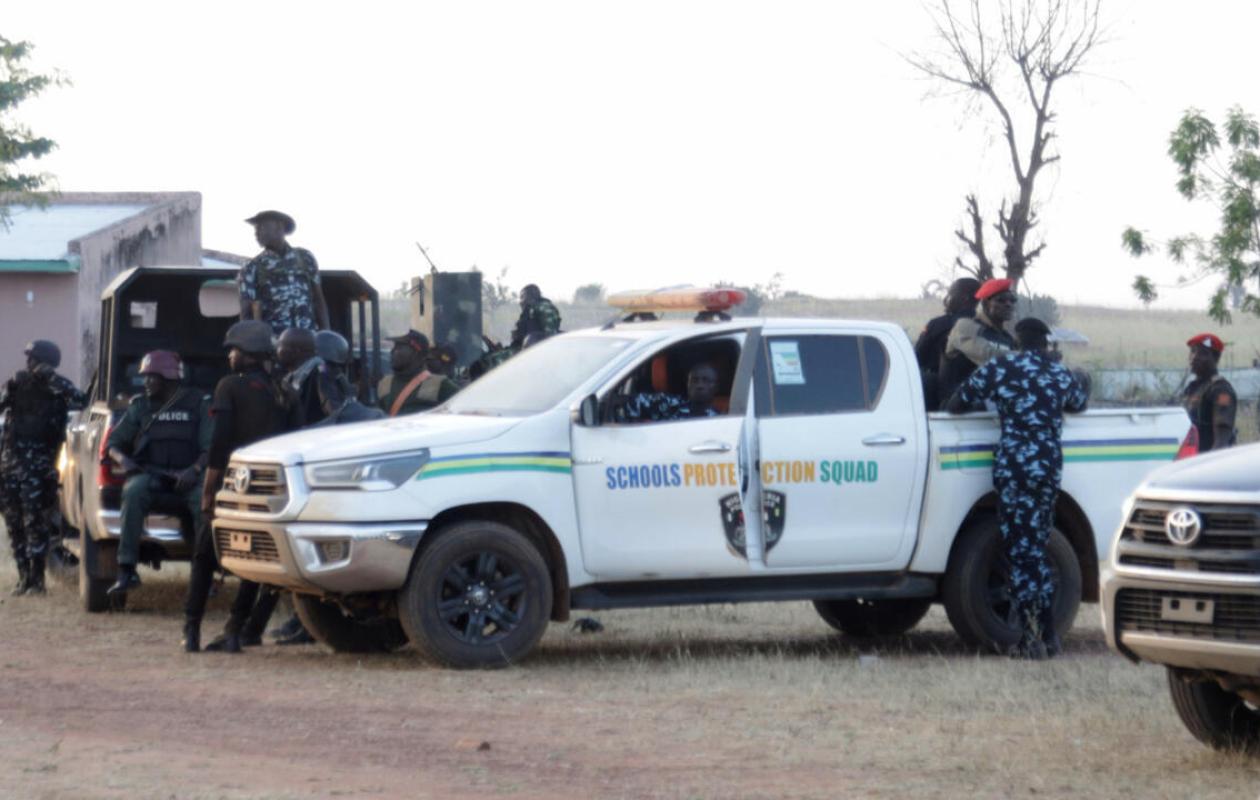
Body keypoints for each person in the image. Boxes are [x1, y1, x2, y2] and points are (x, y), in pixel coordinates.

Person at [946, 317, 1088, 660]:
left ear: (1017, 340)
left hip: (1017, 468)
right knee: (1037, 546)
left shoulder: (1003, 367)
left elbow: (956, 403)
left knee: (1021, 553)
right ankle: (1050, 636)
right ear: (1045, 342)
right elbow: (1079, 402)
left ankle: (1030, 640)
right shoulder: (1058, 372)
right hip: (1049, 468)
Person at [184, 320, 301, 653]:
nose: (230, 356)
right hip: (272, 491)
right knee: (259, 563)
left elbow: (219, 446)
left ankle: (190, 631)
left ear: (248, 354)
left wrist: (208, 491)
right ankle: (237, 630)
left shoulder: (229, 387)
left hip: (234, 486)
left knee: (204, 558)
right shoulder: (286, 392)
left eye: (233, 350)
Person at [105, 351, 211, 597]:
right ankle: (127, 569)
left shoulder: (198, 403)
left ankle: (203, 572)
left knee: (202, 503)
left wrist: (194, 470)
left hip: (189, 475)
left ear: (169, 378)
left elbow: (210, 446)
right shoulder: (140, 406)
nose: (146, 383)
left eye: (151, 377)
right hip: (152, 473)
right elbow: (114, 444)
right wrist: (125, 461)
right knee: (132, 492)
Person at [0, 340, 86, 595]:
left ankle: (37, 582)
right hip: (10, 466)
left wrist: (53, 381)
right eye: (29, 358)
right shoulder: (19, 383)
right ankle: (24, 578)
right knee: (15, 525)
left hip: (38, 470)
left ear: (47, 361)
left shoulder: (60, 388)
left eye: (34, 358)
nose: (29, 363)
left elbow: (83, 401)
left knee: (35, 525)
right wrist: (11, 388)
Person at [237, 210, 330, 335]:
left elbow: (319, 300)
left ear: (279, 227)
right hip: (275, 345)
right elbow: (246, 312)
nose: (256, 233)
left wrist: (326, 335)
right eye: (255, 228)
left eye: (261, 227)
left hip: (308, 342)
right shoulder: (251, 267)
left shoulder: (305, 258)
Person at [937, 278, 1018, 404]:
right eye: (1001, 300)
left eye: (1012, 300)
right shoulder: (966, 326)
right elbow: (987, 356)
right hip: (957, 409)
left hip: (991, 406)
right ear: (985, 303)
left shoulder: (1007, 338)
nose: (1009, 304)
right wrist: (1030, 356)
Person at [914, 277, 981, 411]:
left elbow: (916, 359)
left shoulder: (938, 325)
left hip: (940, 399)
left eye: (951, 293)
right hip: (978, 397)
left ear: (965, 298)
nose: (947, 298)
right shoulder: (985, 327)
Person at [377, 330, 458, 415]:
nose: (393, 351)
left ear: (417, 353)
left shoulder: (439, 384)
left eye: (400, 347)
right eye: (394, 347)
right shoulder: (384, 383)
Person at [1181, 333, 1237, 452]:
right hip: (1191, 459)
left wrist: (1210, 464)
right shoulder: (1192, 387)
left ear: (1215, 358)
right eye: (1192, 352)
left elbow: (1222, 438)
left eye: (1202, 353)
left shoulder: (1221, 390)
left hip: (1208, 461)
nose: (1194, 357)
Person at [614, 363, 721, 422]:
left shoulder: (722, 419)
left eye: (706, 380)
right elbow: (627, 401)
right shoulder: (670, 404)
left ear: (716, 387)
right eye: (694, 380)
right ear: (687, 384)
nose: (699, 385)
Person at [276, 328, 325, 425]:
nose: (277, 350)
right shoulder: (292, 376)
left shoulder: (320, 374)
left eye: (280, 345)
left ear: (296, 351)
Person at [510, 284, 561, 350]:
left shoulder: (543, 307)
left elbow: (550, 334)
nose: (520, 302)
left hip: (536, 350)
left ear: (530, 296)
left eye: (522, 297)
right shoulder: (530, 311)